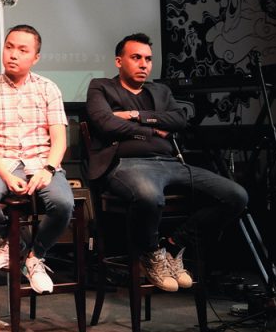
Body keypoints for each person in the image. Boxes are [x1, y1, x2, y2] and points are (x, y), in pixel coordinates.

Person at [84, 32, 248, 291]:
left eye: (148, 59)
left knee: (235, 196)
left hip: (170, 163)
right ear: (119, 61)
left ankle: (172, 246)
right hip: (126, 164)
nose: (143, 64)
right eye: (136, 57)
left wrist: (135, 115)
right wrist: (152, 129)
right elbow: (106, 123)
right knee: (149, 197)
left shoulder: (160, 90)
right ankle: (151, 253)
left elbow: (180, 120)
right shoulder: (101, 86)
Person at [0, 24, 74, 295]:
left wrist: (48, 169)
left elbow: (59, 140)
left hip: (41, 162)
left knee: (63, 204)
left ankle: (34, 256)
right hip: (1, 163)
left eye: (22, 50)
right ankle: (13, 242)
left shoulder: (48, 88)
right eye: (9, 47)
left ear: (35, 57)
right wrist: (6, 175)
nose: (13, 54)